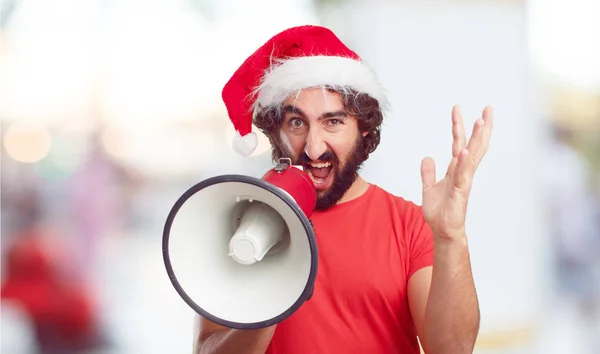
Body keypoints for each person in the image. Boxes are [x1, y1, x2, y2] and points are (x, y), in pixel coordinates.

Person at [194, 25, 493, 354]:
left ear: (363, 129)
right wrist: (274, 297)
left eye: (332, 122)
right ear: (275, 130)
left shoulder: (409, 224)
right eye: (296, 122)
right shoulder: (235, 217)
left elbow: (452, 349)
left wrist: (451, 237)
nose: (312, 146)